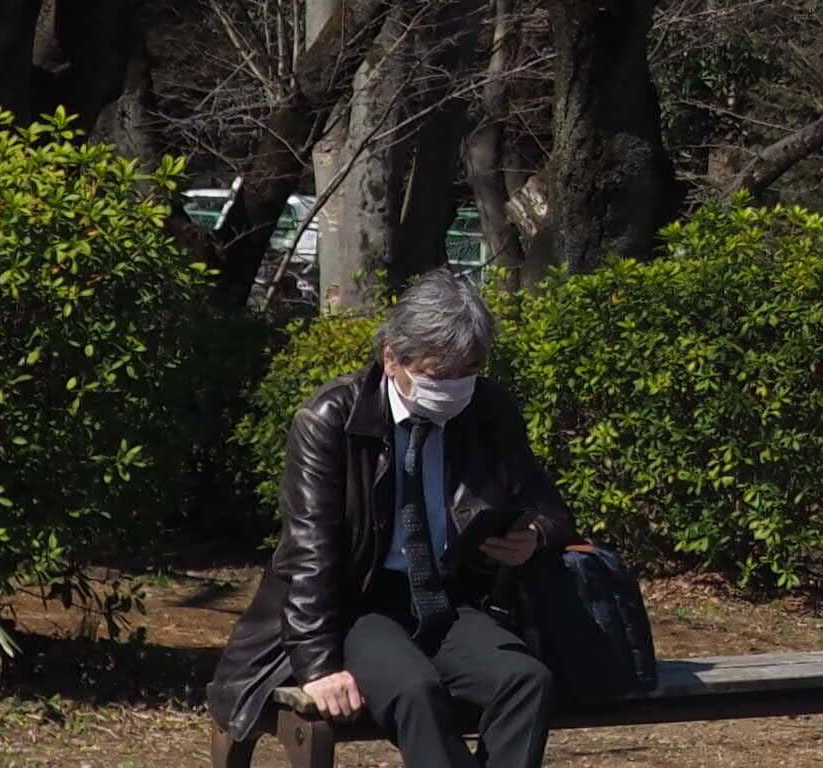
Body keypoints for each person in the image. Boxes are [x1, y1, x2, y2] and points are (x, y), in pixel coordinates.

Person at [212, 274, 569, 768]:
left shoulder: (489, 410)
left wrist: (535, 536)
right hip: (359, 604)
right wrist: (318, 664)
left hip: (451, 599)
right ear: (391, 359)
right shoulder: (331, 418)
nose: (453, 387)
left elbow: (549, 506)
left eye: (468, 371)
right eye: (437, 374)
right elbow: (309, 551)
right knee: (415, 691)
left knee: (526, 681)